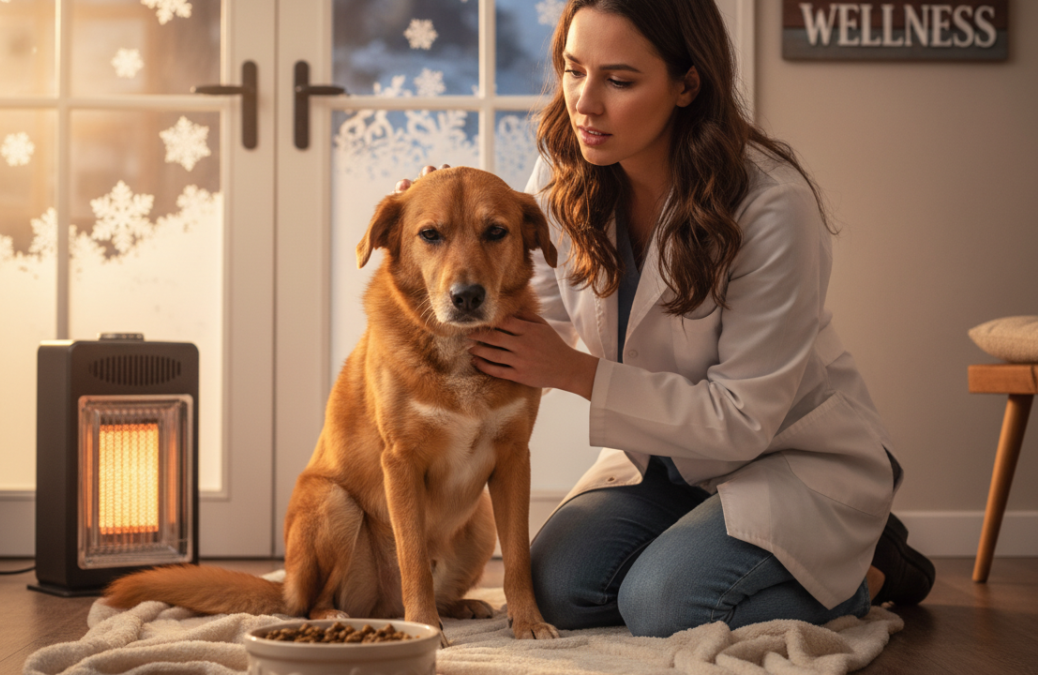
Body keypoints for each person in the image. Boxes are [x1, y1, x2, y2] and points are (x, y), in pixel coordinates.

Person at [397, 0, 934, 638]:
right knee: (558, 589)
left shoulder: (772, 206)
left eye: (619, 81)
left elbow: (741, 420)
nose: (584, 103)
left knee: (665, 605)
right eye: (573, 70)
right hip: (666, 463)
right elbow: (513, 303)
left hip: (783, 457)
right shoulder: (566, 171)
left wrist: (578, 373)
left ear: (687, 84)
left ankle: (870, 570)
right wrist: (434, 228)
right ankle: (714, 551)